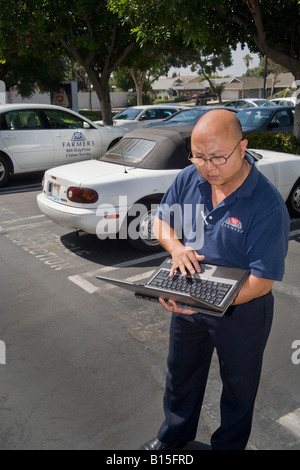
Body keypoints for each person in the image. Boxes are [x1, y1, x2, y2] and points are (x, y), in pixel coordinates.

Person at [139, 109, 290, 451]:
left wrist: (202, 300)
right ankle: (173, 438)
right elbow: (162, 221)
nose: (208, 167)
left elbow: (262, 283)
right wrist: (176, 249)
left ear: (242, 148)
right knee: (181, 376)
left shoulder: (266, 205)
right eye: (199, 157)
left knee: (238, 388)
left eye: (217, 158)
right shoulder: (190, 177)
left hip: (243, 309)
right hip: (191, 294)